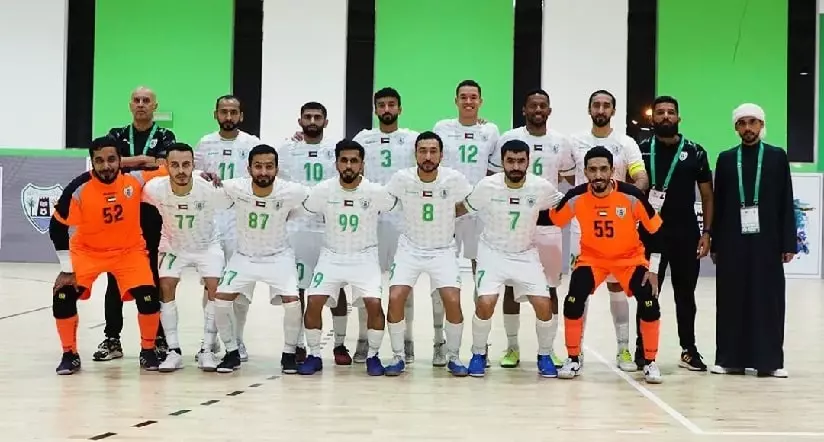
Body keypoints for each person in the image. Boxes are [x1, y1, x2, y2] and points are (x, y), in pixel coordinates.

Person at [49, 136, 168, 374]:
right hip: (88, 252)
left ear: (120, 160)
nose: (106, 166)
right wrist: (66, 268)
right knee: (62, 295)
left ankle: (147, 350)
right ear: (92, 162)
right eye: (99, 161)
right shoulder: (79, 188)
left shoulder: (134, 180)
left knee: (148, 296)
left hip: (128, 252)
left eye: (112, 159)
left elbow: (173, 171)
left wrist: (203, 176)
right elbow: (57, 226)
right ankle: (69, 354)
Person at [549, 146, 664, 384]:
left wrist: (653, 269)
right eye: (593, 170)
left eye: (603, 169)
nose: (598, 175)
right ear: (585, 171)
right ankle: (573, 358)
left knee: (650, 301)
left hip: (629, 260)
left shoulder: (631, 195)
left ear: (613, 170)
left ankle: (651, 362)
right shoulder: (576, 196)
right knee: (573, 299)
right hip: (593, 260)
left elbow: (657, 231)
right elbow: (552, 218)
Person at [459, 139, 564, 378]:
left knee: (544, 304)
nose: (515, 166)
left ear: (528, 161)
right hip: (492, 253)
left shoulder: (541, 187)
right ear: (502, 162)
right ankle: (478, 353)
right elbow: (462, 208)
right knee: (485, 302)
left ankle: (545, 354)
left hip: (526, 253)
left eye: (521, 161)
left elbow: (567, 205)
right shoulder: (487, 185)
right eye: (510, 161)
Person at [298, 139, 398, 376]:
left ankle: (373, 356)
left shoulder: (376, 192)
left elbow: (399, 205)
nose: (349, 165)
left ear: (362, 164)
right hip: (331, 256)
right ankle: (314, 354)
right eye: (344, 160)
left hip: (364, 257)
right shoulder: (323, 190)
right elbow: (304, 207)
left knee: (374, 305)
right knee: (313, 302)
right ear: (336, 164)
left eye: (354, 161)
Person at [710, 103, 795, 378]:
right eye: (742, 123)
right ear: (736, 127)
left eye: (753, 122)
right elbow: (719, 204)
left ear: (761, 125)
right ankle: (729, 359)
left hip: (767, 241)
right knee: (731, 298)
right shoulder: (725, 159)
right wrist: (716, 243)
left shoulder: (776, 157)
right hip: (732, 240)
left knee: (767, 300)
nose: (748, 128)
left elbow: (785, 201)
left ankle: (769, 362)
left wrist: (788, 242)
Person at [567, 89, 649, 372]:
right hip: (582, 229)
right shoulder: (575, 142)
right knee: (580, 289)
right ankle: (575, 354)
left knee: (617, 287)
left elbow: (640, 176)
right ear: (589, 109)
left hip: (618, 230)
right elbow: (568, 176)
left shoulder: (625, 143)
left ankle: (623, 350)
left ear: (613, 111)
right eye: (596, 105)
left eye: (606, 105)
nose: (601, 109)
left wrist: (627, 200)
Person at [494, 89, 576, 368]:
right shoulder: (509, 138)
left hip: (547, 223)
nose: (538, 110)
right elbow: (494, 177)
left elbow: (569, 180)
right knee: (510, 288)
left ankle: (548, 349)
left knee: (550, 288)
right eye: (533, 105)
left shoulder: (561, 142)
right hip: (515, 224)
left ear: (549, 111)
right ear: (524, 110)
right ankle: (512, 347)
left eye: (543, 106)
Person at [94, 86, 176, 362]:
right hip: (119, 213)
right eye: (137, 100)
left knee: (152, 276)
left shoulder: (165, 136)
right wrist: (143, 161)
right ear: (130, 105)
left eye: (146, 101)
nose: (141, 105)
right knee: (114, 277)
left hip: (152, 214)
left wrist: (127, 164)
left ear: (155, 106)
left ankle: (158, 339)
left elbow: (165, 166)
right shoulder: (116, 134)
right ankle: (112, 339)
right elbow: (107, 165)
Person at [210, 144, 308, 374]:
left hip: (278, 257)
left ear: (276, 168)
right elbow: (211, 189)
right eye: (258, 167)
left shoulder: (290, 190)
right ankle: (232, 352)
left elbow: (307, 204)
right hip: (244, 257)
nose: (263, 172)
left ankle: (288, 354)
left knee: (293, 304)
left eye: (269, 167)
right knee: (221, 301)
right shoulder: (235, 187)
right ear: (249, 168)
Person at [382, 131, 472, 376]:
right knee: (396, 296)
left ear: (441, 154)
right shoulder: (402, 178)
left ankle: (453, 356)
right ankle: (399, 356)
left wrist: (449, 215)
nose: (428, 156)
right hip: (410, 248)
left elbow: (470, 203)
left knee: (452, 300)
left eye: (433, 151)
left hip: (442, 249)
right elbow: (386, 202)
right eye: (423, 151)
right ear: (416, 154)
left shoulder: (454, 179)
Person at [636, 95, 713, 371]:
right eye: (660, 112)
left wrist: (707, 233)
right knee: (647, 292)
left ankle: (688, 349)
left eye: (671, 112)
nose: (665, 116)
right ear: (652, 118)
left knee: (685, 295)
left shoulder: (695, 151)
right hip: (650, 235)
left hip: (685, 235)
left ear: (678, 118)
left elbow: (707, 196)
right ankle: (642, 348)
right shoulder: (640, 150)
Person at [142, 143, 227, 372]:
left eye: (186, 165)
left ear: (194, 165)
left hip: (206, 246)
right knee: (166, 285)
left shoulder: (210, 188)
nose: (181, 170)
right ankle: (173, 350)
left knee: (215, 288)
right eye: (175, 165)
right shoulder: (153, 188)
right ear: (166, 166)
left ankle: (207, 350)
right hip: (173, 246)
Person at [432, 79, 500, 368]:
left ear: (480, 101)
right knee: (440, 274)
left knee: (480, 274)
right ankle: (439, 341)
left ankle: (479, 344)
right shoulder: (442, 128)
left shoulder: (490, 130)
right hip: (447, 210)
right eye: (463, 97)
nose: (469, 102)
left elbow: (494, 170)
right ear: (456, 100)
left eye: (474, 97)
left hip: (479, 211)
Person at [352, 87, 418, 364]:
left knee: (403, 284)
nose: (387, 109)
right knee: (366, 283)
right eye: (382, 105)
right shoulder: (363, 138)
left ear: (400, 109)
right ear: (375, 109)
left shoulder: (413, 138)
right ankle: (364, 338)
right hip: (369, 221)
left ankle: (407, 338)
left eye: (392, 104)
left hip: (403, 221)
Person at [193, 95, 262, 362]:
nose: (229, 117)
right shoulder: (204, 143)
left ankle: (238, 340)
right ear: (216, 114)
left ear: (241, 116)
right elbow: (194, 178)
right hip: (212, 220)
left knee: (242, 285)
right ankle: (208, 341)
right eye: (224, 112)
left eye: (234, 112)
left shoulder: (252, 144)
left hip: (242, 221)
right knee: (212, 283)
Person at [278, 102, 345, 364]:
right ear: (300, 121)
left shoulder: (336, 149)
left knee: (336, 290)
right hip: (298, 229)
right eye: (308, 117)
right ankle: (300, 344)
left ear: (326, 122)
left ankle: (339, 345)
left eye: (318, 117)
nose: (313, 121)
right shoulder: (286, 149)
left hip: (329, 229)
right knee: (301, 289)